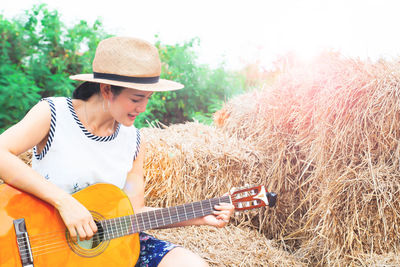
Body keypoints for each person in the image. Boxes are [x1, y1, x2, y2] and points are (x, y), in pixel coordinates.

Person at [0, 36, 235, 266]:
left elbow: (134, 212)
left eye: (147, 99)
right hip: (37, 239)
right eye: (136, 99)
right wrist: (64, 202)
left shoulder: (133, 140)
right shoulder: (53, 114)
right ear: (106, 90)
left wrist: (199, 216)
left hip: (107, 246)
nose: (142, 108)